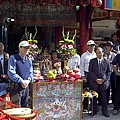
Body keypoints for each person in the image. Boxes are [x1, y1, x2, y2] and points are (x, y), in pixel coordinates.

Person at [8, 41, 33, 107]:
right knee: (16, 110)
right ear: (20, 48)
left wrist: (28, 80)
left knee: (25, 109)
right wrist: (21, 81)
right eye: (25, 48)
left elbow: (30, 72)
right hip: (16, 88)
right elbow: (11, 73)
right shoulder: (13, 58)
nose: (26, 49)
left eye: (28, 48)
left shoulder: (29, 60)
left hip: (25, 88)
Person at [89, 47, 111, 117]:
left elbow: (109, 71)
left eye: (100, 53)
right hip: (94, 82)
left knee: (104, 98)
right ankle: (94, 111)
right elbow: (90, 71)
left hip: (103, 83)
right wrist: (96, 79)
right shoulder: (92, 61)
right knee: (94, 97)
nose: (99, 54)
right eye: (98, 53)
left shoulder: (106, 61)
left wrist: (103, 79)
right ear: (96, 54)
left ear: (103, 53)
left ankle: (105, 112)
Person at [80, 40, 96, 110]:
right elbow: (81, 66)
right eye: (90, 45)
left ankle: (93, 107)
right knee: (86, 90)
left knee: (94, 90)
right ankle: (85, 106)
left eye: (93, 45)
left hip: (94, 74)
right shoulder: (84, 55)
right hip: (86, 74)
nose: (92, 47)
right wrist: (83, 75)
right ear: (87, 46)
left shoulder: (96, 54)